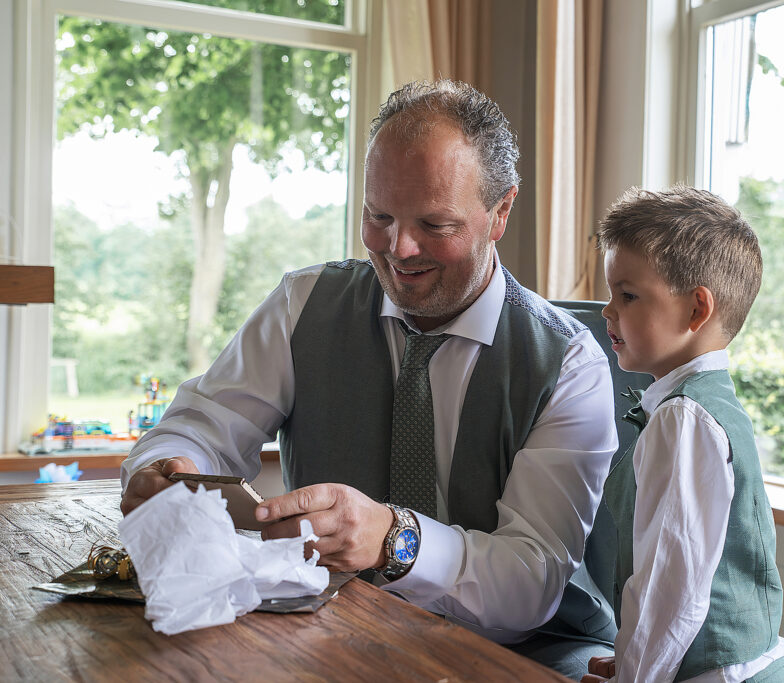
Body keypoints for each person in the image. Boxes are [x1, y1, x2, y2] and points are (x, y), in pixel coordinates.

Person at [119, 80, 619, 677]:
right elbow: (201, 426)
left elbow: (530, 584)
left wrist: (394, 539)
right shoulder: (303, 304)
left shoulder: (570, 363)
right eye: (379, 215)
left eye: (435, 224)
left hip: (514, 650)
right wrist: (166, 466)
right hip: (327, 628)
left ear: (500, 212)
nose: (399, 248)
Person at [583, 186, 784, 683]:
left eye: (628, 294)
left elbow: (669, 590)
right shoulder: (702, 406)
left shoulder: (683, 419)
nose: (607, 310)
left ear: (696, 310)